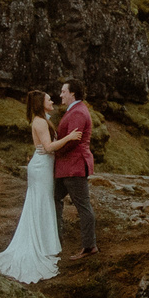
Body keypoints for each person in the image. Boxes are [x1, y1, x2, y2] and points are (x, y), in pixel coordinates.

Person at [0, 89, 77, 284]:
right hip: (41, 167)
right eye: (48, 99)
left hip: (43, 165)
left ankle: (45, 242)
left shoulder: (42, 120)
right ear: (40, 103)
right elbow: (48, 147)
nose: (52, 100)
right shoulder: (40, 122)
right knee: (42, 202)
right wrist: (69, 138)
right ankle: (41, 245)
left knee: (42, 202)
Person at [52, 77, 100, 259]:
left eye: (64, 91)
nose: (61, 95)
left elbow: (74, 140)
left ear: (72, 93)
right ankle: (56, 239)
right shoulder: (74, 110)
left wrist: (53, 150)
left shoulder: (78, 112)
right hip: (68, 167)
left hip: (74, 167)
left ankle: (89, 246)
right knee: (54, 199)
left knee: (83, 206)